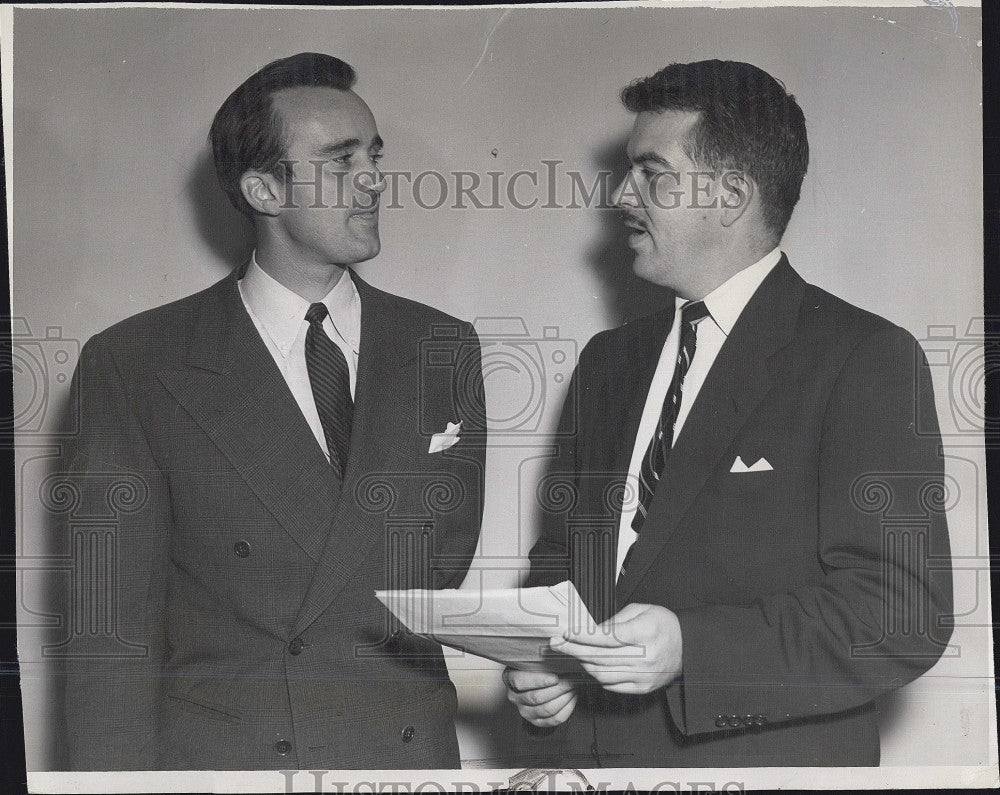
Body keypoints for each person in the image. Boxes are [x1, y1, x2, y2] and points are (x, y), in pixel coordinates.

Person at [504, 59, 953, 767]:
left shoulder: (864, 358)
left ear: (732, 194)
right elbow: (562, 561)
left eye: (652, 173)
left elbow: (900, 615)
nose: (622, 195)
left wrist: (692, 646)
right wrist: (539, 658)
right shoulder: (606, 364)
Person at [59, 52, 486, 770]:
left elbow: (435, 570)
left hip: (405, 760)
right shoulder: (135, 364)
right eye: (340, 160)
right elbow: (109, 638)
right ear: (263, 188)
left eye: (374, 156)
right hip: (234, 764)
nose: (375, 180)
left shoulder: (442, 347)